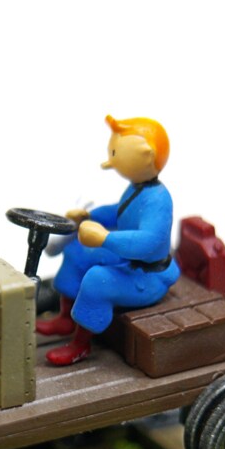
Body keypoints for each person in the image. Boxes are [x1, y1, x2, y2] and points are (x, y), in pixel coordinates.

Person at [37, 115, 180, 366]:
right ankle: (66, 318)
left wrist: (105, 238)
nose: (111, 159)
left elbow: (149, 242)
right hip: (129, 261)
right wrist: (89, 216)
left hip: (147, 276)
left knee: (97, 279)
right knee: (77, 251)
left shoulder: (159, 200)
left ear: (146, 155)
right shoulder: (138, 189)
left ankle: (81, 344)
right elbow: (119, 212)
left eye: (116, 152)